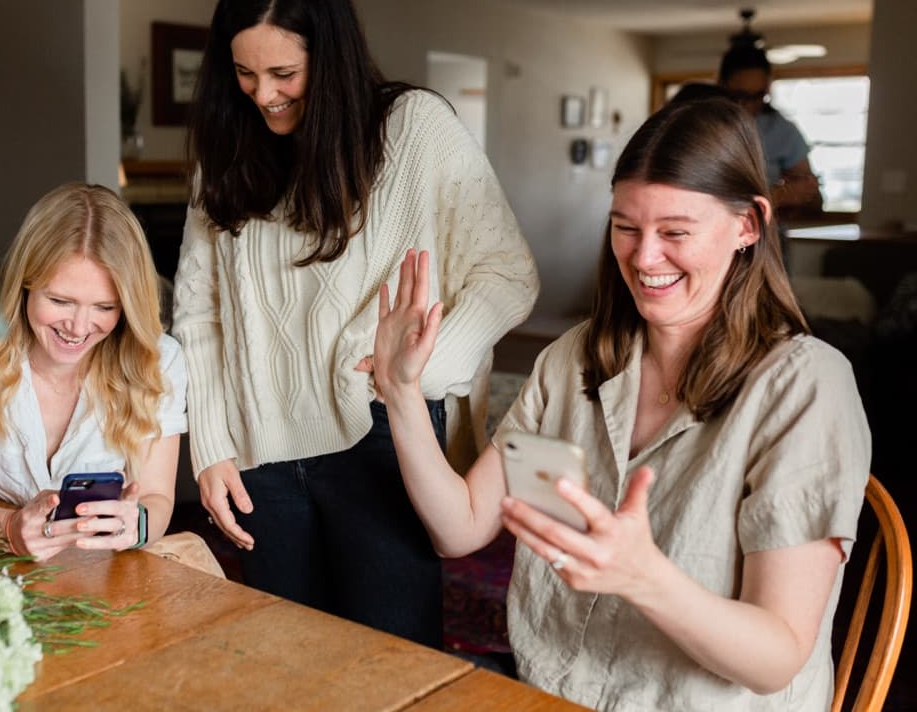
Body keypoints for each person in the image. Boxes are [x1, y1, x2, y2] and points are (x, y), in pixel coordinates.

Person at [372, 97, 870, 709]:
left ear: (748, 225)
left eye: (675, 232)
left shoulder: (803, 387)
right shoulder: (574, 362)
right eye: (626, 227)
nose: (643, 257)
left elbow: (775, 657)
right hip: (553, 692)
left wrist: (645, 578)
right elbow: (462, 527)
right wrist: (399, 391)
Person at [172, 0, 539, 648]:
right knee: (285, 663)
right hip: (260, 447)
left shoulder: (413, 129)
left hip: (379, 439)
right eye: (244, 74)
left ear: (332, 57)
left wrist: (416, 375)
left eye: (284, 73)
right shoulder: (224, 150)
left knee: (391, 664)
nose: (263, 94)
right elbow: (198, 312)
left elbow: (507, 273)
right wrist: (210, 445)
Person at [0, 182, 187, 562]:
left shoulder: (159, 359)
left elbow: (157, 497)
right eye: (60, 301)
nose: (78, 327)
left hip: (99, 574)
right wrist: (7, 527)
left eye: (105, 307)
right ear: (25, 283)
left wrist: (134, 524)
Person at [718, 45, 824, 219]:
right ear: (722, 85)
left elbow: (815, 203)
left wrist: (804, 192)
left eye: (758, 96)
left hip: (768, 237)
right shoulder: (704, 126)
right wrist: (778, 196)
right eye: (740, 95)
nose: (749, 106)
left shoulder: (782, 130)